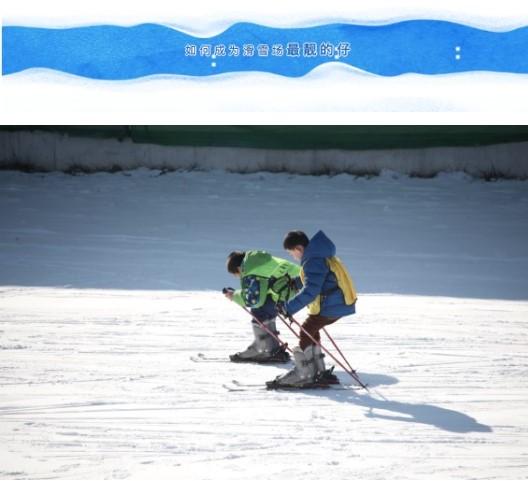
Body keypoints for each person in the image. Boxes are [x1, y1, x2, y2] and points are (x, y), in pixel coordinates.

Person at [266, 230, 357, 389]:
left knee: (307, 329)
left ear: (299, 248)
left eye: (292, 253)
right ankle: (318, 370)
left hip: (333, 304)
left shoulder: (313, 260)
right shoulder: (318, 256)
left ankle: (305, 372)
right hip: (338, 302)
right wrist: (295, 283)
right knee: (311, 329)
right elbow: (317, 279)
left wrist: (288, 308)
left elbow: (311, 291)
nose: (293, 257)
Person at [224, 250, 301, 363]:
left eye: (236, 274)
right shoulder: (258, 262)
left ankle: (263, 349)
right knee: (266, 304)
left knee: (259, 309)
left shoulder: (252, 269)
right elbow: (263, 291)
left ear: (239, 268)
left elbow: (254, 300)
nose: (238, 277)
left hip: (294, 286)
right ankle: (271, 347)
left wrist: (234, 296)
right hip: (296, 284)